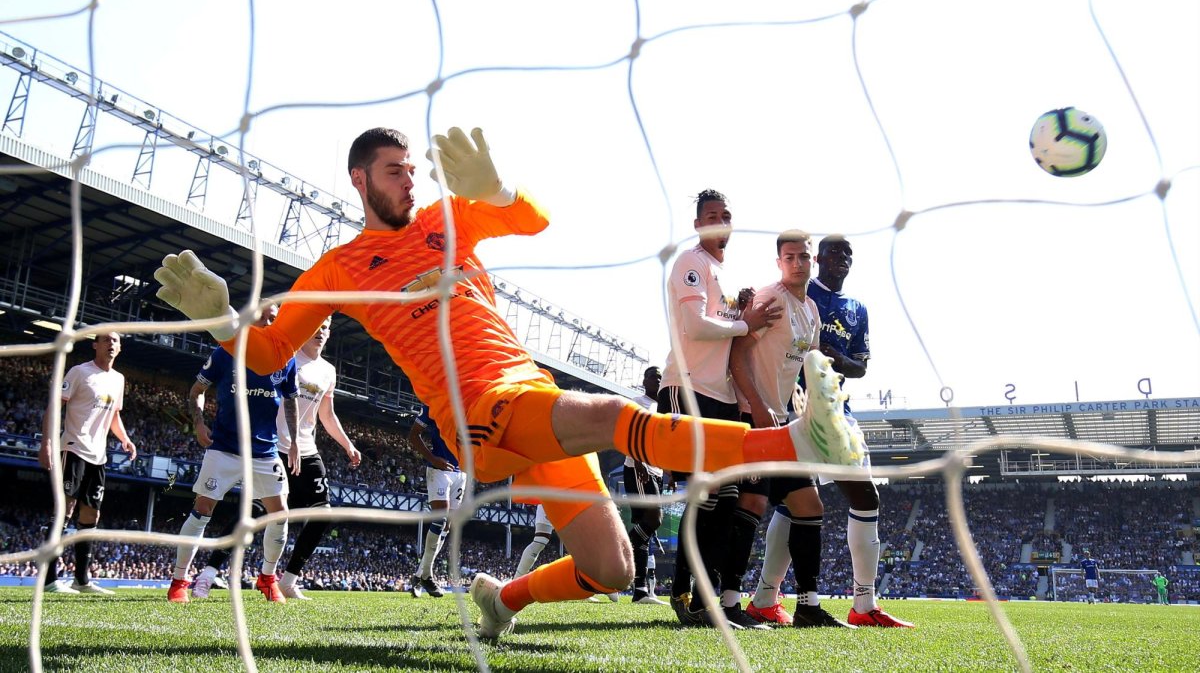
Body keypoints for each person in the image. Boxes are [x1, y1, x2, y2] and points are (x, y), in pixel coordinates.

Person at [154, 126, 861, 639]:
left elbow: (533, 219)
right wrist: (221, 319)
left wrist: (495, 189)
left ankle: (505, 598)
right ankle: (792, 437)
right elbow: (270, 347)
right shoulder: (341, 267)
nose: (410, 179)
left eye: (411, 169)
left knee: (611, 568)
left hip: (531, 391)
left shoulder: (447, 219)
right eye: (394, 170)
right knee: (616, 414)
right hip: (479, 412)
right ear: (360, 179)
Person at [657, 188, 779, 629]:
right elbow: (694, 324)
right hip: (689, 391)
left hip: (722, 397)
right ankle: (688, 594)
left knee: (723, 500)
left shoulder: (720, 273)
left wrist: (738, 307)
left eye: (725, 215)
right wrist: (748, 321)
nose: (719, 221)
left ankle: (702, 597)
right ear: (698, 224)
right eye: (711, 214)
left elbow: (721, 323)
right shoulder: (690, 263)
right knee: (709, 498)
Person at [727, 230, 853, 628]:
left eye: (803, 257)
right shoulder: (770, 299)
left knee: (808, 506)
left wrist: (812, 415)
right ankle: (730, 602)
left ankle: (809, 606)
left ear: (811, 261)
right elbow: (738, 354)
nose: (797, 263)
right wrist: (758, 409)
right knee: (751, 503)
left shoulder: (812, 311)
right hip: (753, 417)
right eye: (789, 257)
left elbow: (806, 369)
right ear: (779, 261)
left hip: (784, 423)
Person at [788, 233, 913, 628]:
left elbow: (860, 367)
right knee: (791, 502)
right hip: (795, 405)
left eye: (848, 253)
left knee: (865, 494)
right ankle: (763, 597)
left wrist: (834, 355)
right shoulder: (799, 295)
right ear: (819, 259)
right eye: (834, 251)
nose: (842, 257)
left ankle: (864, 604)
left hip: (838, 411)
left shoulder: (856, 309)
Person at [193, 318, 361, 600]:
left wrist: (347, 444)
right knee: (254, 513)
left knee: (323, 513)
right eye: (315, 326)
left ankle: (288, 579)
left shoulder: (328, 371)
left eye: (325, 327)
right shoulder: (286, 358)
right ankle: (209, 573)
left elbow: (326, 414)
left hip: (306, 449)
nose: (320, 332)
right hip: (273, 447)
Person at [167, 305, 299, 604]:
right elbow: (196, 390)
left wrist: (292, 441)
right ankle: (179, 581)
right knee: (201, 511)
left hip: (265, 451)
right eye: (263, 316)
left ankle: (267, 578)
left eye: (273, 318)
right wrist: (199, 424)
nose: (268, 321)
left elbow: (290, 401)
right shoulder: (226, 351)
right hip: (225, 448)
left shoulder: (285, 356)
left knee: (280, 515)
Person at [37, 332, 137, 594]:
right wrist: (47, 443)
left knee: (91, 515)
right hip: (72, 447)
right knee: (64, 511)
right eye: (105, 340)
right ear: (95, 345)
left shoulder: (118, 380)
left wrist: (125, 439)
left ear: (120, 347)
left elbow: (114, 414)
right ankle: (48, 580)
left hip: (98, 455)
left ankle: (81, 580)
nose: (110, 344)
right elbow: (54, 407)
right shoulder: (79, 372)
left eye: (115, 341)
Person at [408, 402, 463, 598]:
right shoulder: (433, 404)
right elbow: (413, 435)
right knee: (439, 519)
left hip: (461, 473)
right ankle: (427, 576)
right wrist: (432, 459)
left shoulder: (474, 405)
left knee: (447, 526)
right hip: (439, 470)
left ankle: (420, 575)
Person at [514, 504, 617, 603]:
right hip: (555, 499)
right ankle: (514, 584)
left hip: (561, 499)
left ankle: (590, 588)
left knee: (543, 541)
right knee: (541, 541)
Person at [625, 366, 666, 605]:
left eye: (661, 378)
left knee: (645, 530)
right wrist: (638, 461)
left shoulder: (663, 407)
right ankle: (623, 544)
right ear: (644, 381)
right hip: (639, 468)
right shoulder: (638, 402)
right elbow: (629, 433)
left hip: (657, 470)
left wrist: (667, 471)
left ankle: (640, 591)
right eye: (654, 377)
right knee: (654, 520)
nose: (658, 381)